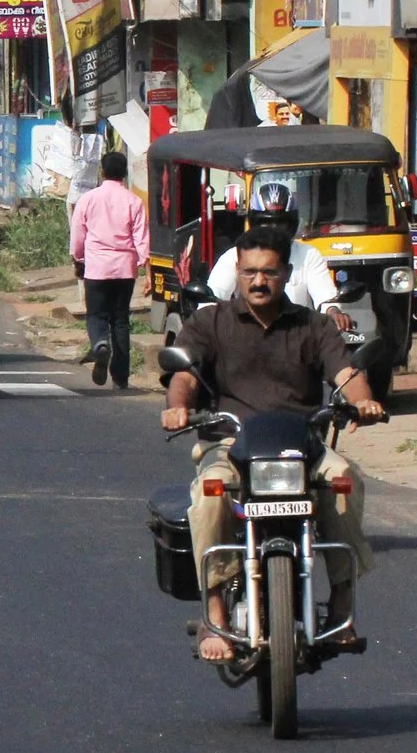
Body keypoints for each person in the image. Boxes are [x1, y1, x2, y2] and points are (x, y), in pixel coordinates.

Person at [163, 226, 387, 657]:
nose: (258, 281)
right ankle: (215, 615)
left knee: (343, 480)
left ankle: (341, 602)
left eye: (269, 272)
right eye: (249, 272)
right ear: (237, 272)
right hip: (230, 444)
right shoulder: (210, 322)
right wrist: (178, 407)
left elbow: (345, 374)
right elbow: (184, 374)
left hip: (302, 446)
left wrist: (364, 402)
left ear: (286, 273)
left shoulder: (314, 325)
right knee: (208, 497)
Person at [202, 182, 343, 321]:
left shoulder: (308, 255)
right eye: (266, 223)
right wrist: (206, 315)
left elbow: (325, 297)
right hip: (247, 338)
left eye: (281, 223)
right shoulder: (234, 256)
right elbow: (215, 294)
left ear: (287, 271)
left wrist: (333, 312)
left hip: (299, 337)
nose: (273, 230)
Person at [70, 151, 148, 390]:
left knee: (96, 315)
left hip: (97, 268)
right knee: (121, 321)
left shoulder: (88, 199)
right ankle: (121, 378)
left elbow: (77, 237)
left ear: (102, 171)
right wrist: (146, 266)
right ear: (124, 173)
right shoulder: (133, 201)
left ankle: (100, 344)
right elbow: (142, 238)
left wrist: (79, 258)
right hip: (125, 270)